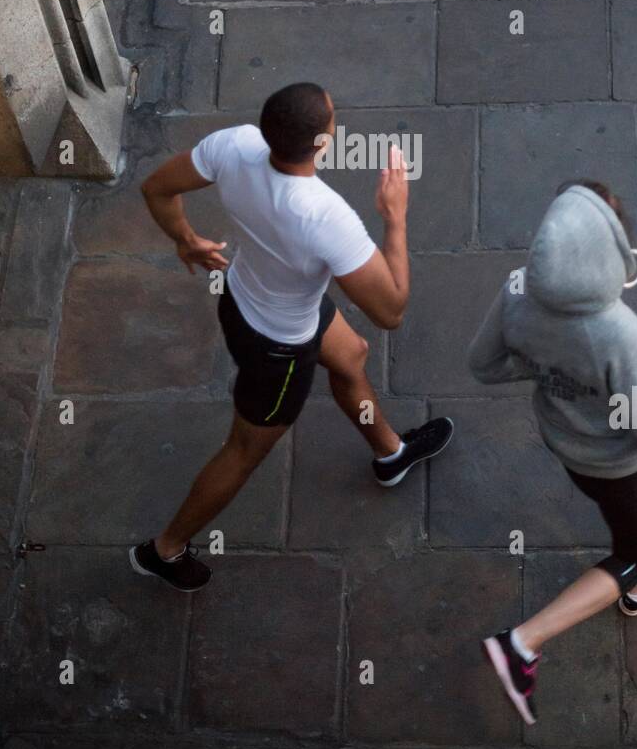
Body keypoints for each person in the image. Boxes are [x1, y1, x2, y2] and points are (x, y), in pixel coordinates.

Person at [130, 81, 453, 592]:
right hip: (279, 348)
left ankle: (390, 454)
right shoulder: (324, 216)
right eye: (333, 119)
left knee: (352, 355)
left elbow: (156, 188)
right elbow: (390, 310)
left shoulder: (234, 145)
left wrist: (186, 241)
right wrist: (395, 219)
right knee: (243, 450)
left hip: (243, 299)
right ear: (323, 143)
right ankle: (163, 550)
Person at [469, 179, 637, 725]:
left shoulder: (515, 288)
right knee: (634, 546)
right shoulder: (617, 332)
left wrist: (545, 367)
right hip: (614, 460)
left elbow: (484, 366)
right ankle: (522, 643)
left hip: (566, 444)